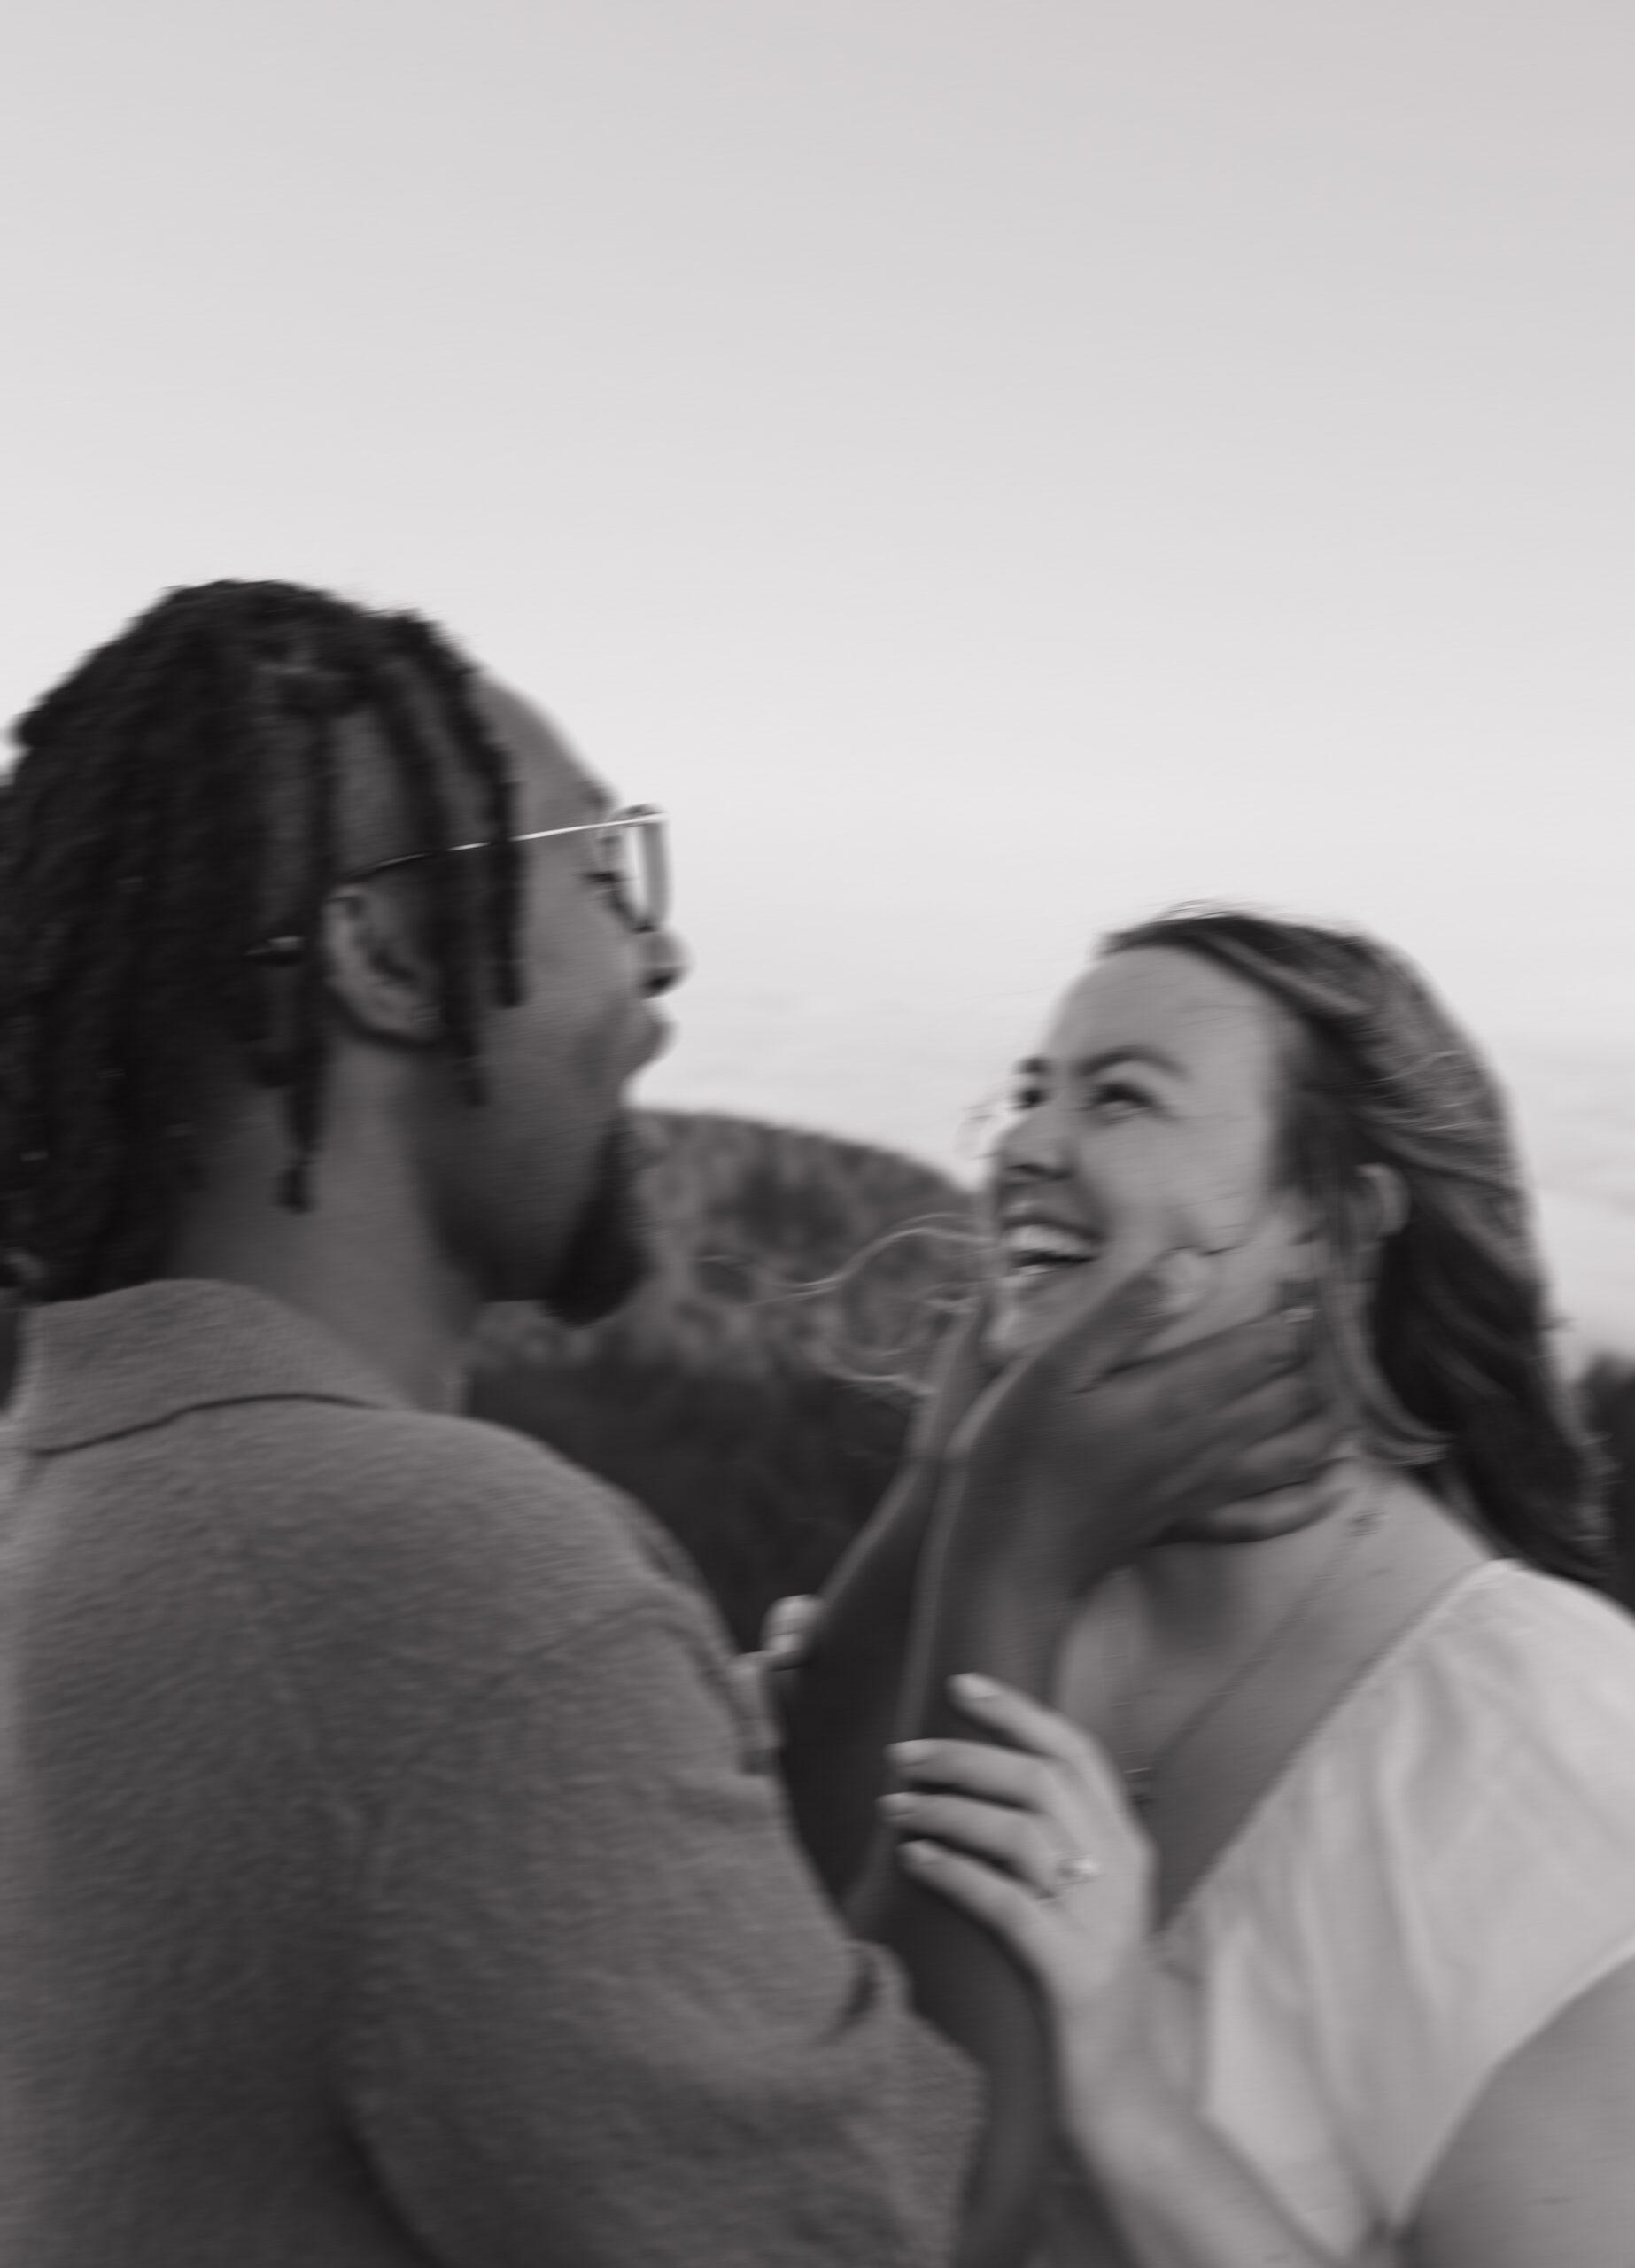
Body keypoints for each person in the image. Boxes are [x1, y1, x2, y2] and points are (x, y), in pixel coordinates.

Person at [0, 584, 1327, 2268]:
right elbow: (888, 2230)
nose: (661, 954)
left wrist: (944, 1498)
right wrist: (1019, 1562)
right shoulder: (426, 1571)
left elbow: (700, 1944)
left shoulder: (103, 1487)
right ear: (386, 955)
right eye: (600, 876)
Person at [856, 911, 1635, 2266]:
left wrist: (1129, 2097)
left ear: (1334, 1228)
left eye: (1118, 1098)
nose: (1023, 1144)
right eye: (1031, 1091)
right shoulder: (986, 1626)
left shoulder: (1541, 1762)